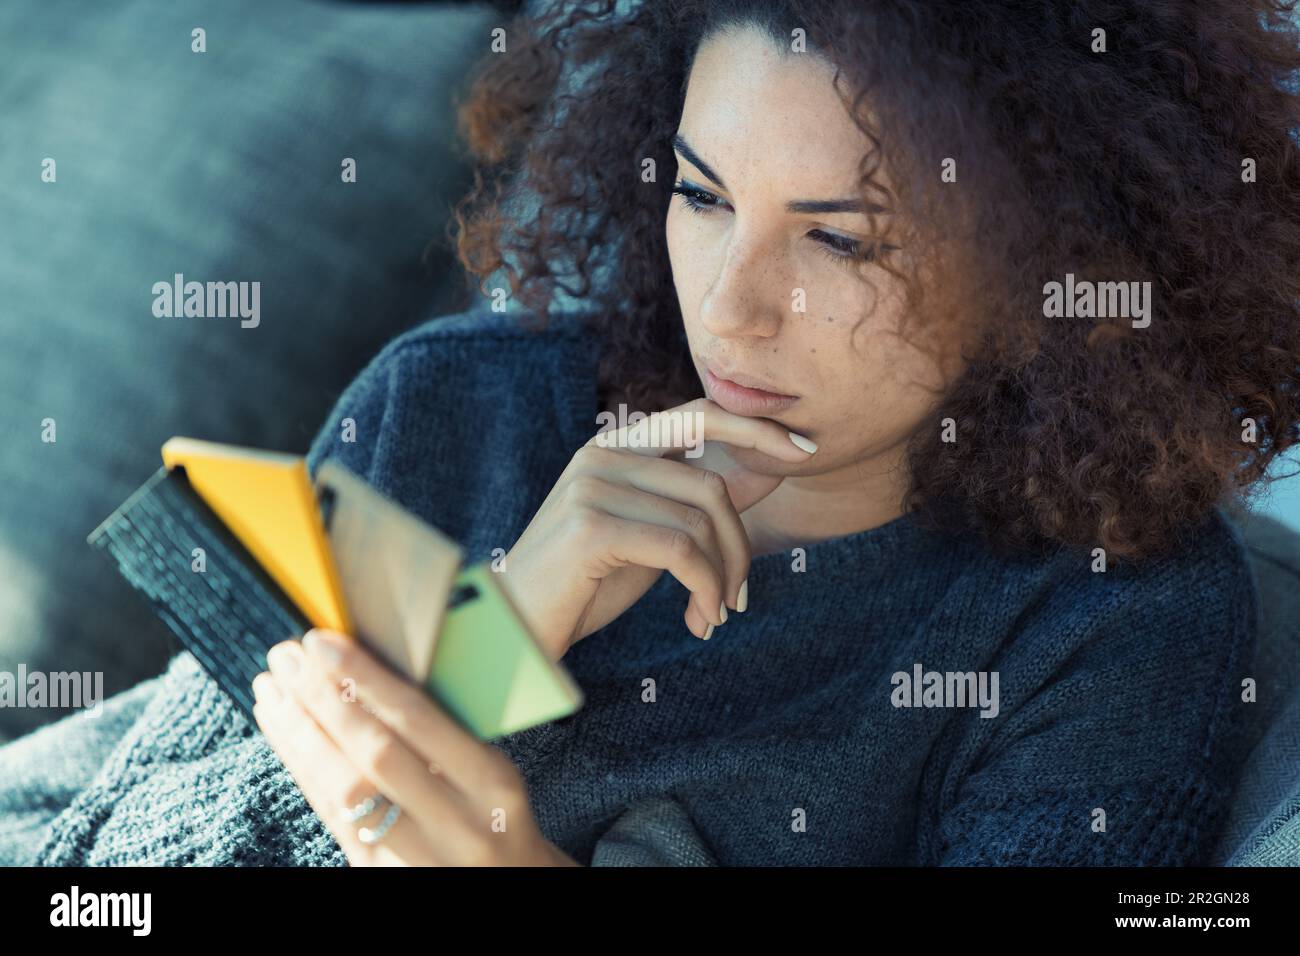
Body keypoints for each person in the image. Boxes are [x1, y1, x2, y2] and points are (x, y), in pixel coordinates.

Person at [2, 0, 1298, 866]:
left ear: (1046, 258)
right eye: (700, 194)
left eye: (840, 237)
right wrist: (494, 633)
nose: (731, 305)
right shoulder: (456, 418)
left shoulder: (1115, 620)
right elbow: (95, 874)